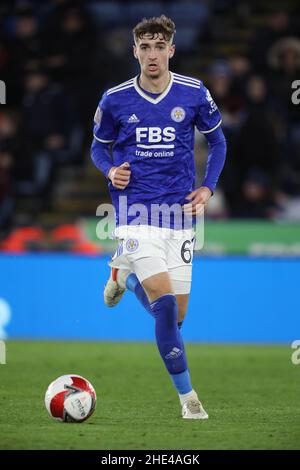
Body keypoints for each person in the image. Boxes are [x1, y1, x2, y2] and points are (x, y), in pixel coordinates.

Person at [91, 15, 226, 419]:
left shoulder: (193, 92)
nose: (152, 54)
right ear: (135, 51)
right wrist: (110, 171)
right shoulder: (115, 98)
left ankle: (123, 276)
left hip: (180, 215)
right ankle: (190, 402)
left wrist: (209, 186)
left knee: (177, 318)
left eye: (158, 46)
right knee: (165, 309)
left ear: (171, 49)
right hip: (134, 214)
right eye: (144, 47)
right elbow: (99, 148)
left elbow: (218, 141)